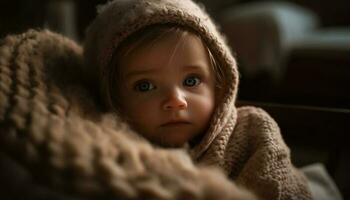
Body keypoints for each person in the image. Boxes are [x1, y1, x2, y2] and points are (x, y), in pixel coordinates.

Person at [83, 0, 312, 199]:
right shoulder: (115, 156)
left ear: (220, 85)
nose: (175, 101)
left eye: (191, 81)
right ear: (113, 98)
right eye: (145, 86)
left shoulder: (253, 131)